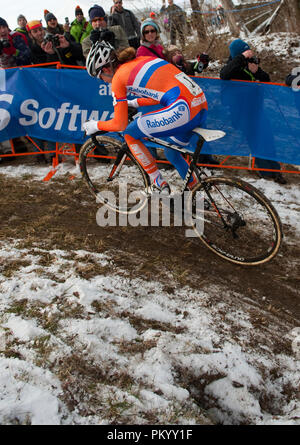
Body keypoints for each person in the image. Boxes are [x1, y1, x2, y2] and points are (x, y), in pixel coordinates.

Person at [83, 42, 208, 193]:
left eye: (100, 77)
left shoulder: (118, 78)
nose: (103, 80)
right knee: (172, 153)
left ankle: (157, 182)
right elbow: (160, 95)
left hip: (184, 109)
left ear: (105, 69)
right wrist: (134, 103)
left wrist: (95, 126)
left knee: (129, 133)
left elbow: (120, 124)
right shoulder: (141, 60)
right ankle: (198, 195)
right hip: (199, 105)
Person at [220, 39, 287, 184]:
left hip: (257, 110)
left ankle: (276, 171)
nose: (248, 54)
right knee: (256, 141)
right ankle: (266, 173)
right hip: (241, 113)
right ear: (238, 54)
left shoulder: (251, 63)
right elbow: (224, 75)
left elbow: (267, 81)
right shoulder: (233, 66)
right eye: (245, 52)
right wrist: (242, 58)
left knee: (267, 138)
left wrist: (257, 72)